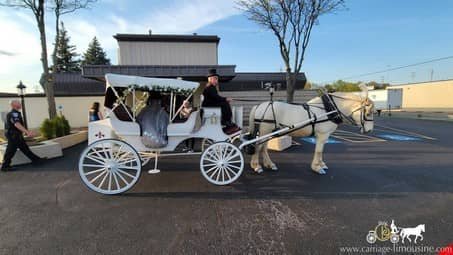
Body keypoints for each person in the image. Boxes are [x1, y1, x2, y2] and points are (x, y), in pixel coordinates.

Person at [1, 100, 43, 172]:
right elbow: (17, 124)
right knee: (11, 150)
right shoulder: (13, 113)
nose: (20, 104)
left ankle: (36, 160)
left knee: (24, 148)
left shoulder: (16, 113)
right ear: (13, 105)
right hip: (13, 135)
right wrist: (27, 132)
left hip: (16, 135)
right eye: (18, 103)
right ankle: (5, 166)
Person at [202, 69, 240, 134]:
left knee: (225, 103)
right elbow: (216, 97)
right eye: (215, 79)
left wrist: (225, 99)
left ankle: (227, 122)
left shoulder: (211, 87)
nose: (217, 80)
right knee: (225, 104)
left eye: (217, 79)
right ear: (210, 79)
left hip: (209, 104)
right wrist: (225, 99)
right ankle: (227, 123)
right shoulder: (210, 87)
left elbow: (216, 97)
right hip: (209, 105)